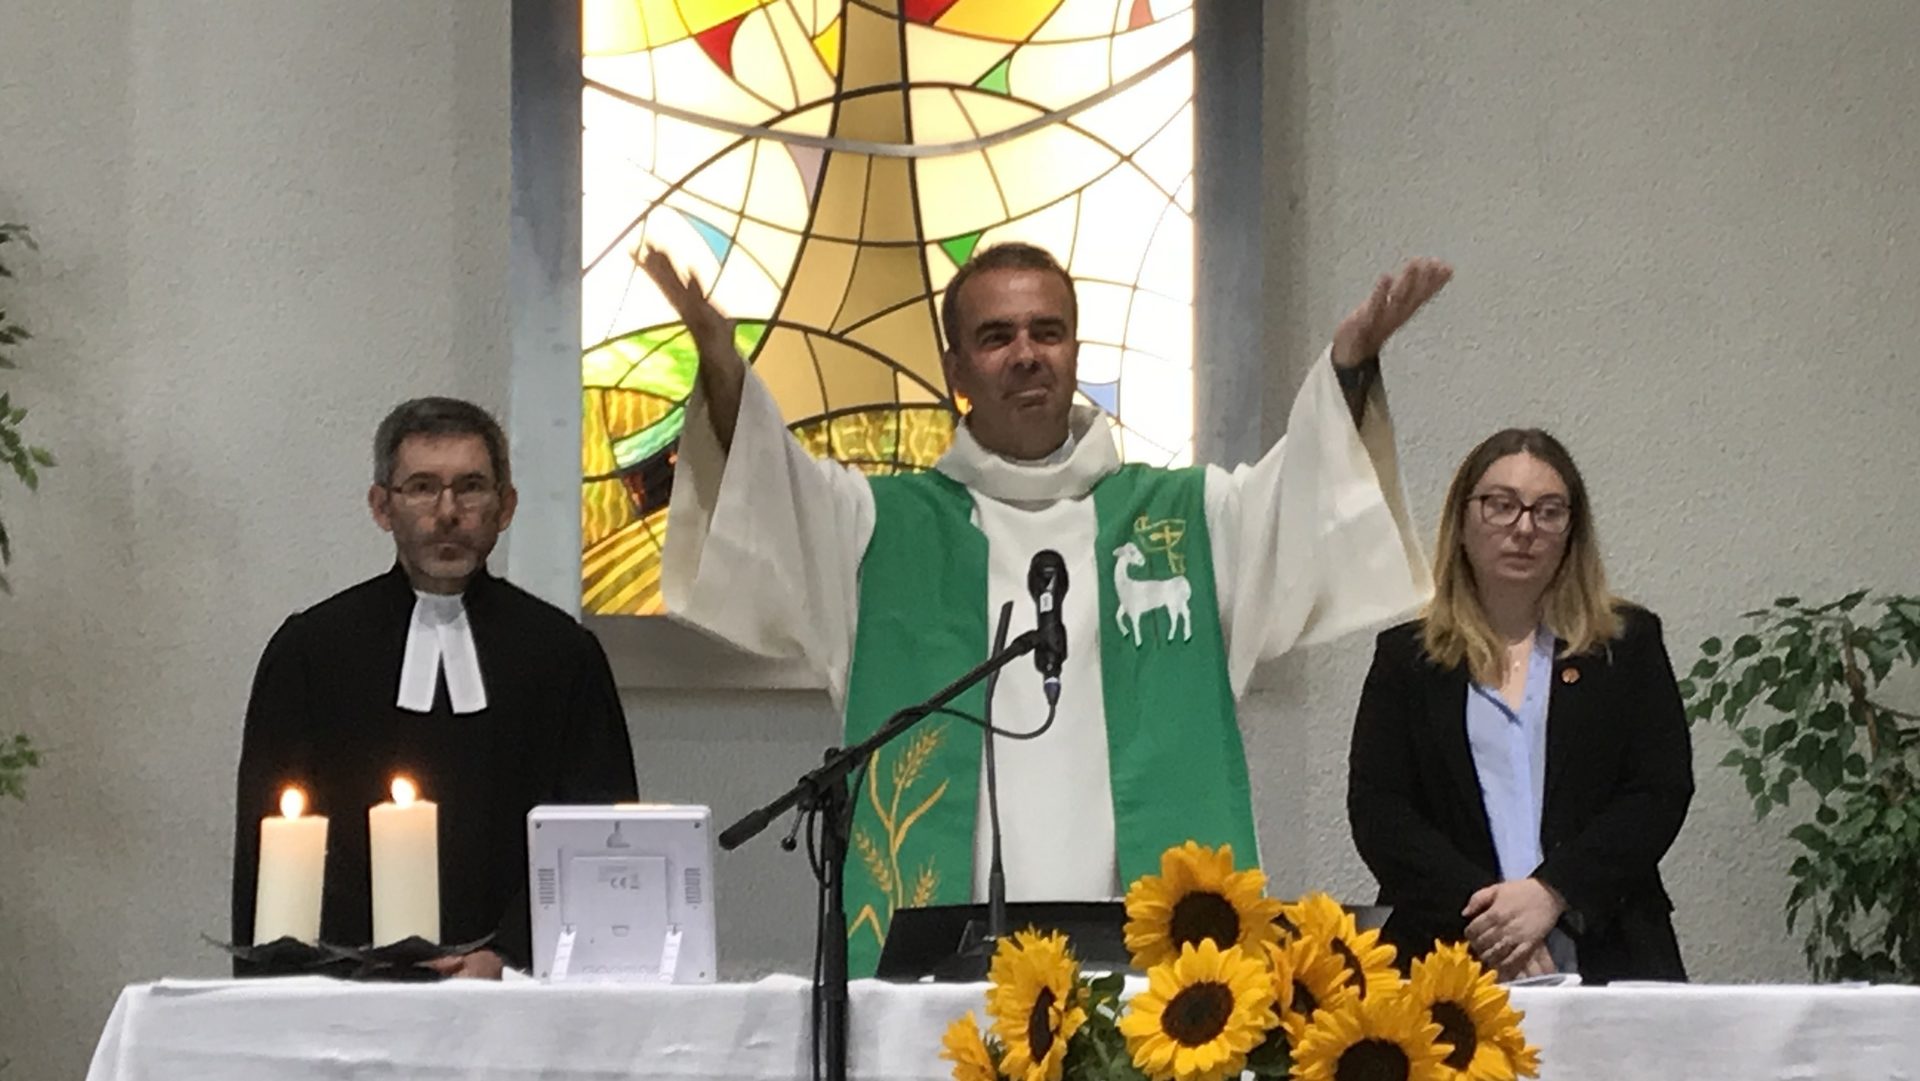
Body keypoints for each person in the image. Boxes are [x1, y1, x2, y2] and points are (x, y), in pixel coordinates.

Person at [649, 243, 1449, 973]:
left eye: (1048, 331)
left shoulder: (1186, 517)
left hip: (1142, 957)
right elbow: (769, 494)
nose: (1026, 353)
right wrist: (724, 373)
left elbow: (1300, 500)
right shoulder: (875, 527)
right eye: (996, 336)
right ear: (955, 364)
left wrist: (1347, 367)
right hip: (945, 955)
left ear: (1074, 351)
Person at [230, 397, 638, 978]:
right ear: (380, 506)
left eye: (471, 488)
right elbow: (267, 842)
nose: (448, 511)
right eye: (421, 487)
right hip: (341, 984)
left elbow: (599, 831)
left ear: (506, 506)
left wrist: (506, 958)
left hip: (520, 986)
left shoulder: (561, 655)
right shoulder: (312, 651)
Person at [1346, 428, 1693, 983]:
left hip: (1606, 949)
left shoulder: (1624, 647)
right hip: (1446, 955)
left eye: (1548, 511)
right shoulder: (1406, 660)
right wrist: (1494, 921)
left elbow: (1657, 791)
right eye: (1501, 506)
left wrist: (1553, 894)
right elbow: (1381, 812)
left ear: (1571, 531)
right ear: (1461, 522)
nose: (1525, 528)